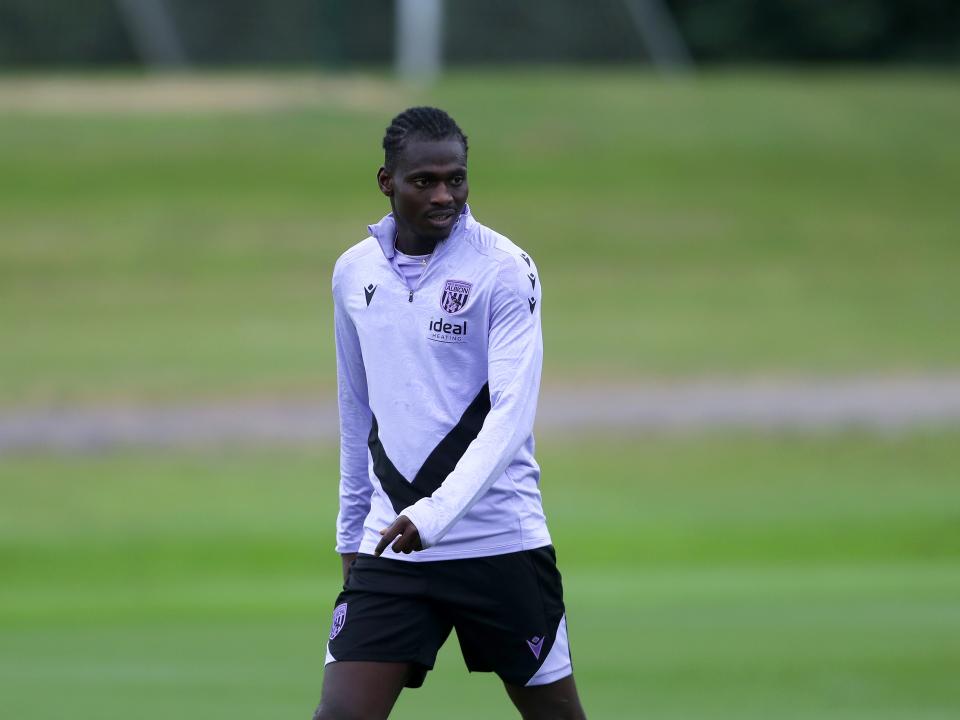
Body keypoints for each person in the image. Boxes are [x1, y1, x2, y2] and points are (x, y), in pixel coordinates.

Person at [314, 107, 587, 720]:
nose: (445, 195)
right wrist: (350, 530)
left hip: (497, 543)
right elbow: (356, 411)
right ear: (387, 182)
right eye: (424, 181)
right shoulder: (353, 272)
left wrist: (435, 515)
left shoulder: (503, 269)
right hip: (392, 544)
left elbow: (511, 417)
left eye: (456, 179)